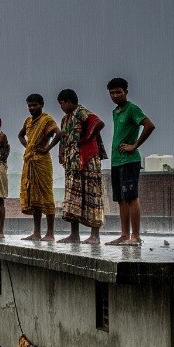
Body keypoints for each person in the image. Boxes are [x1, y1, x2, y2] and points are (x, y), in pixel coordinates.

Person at [106, 78, 155, 245]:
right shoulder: (116, 111)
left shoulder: (132, 109)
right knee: (121, 198)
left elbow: (149, 125)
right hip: (116, 161)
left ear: (126, 92)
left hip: (129, 160)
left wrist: (134, 145)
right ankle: (124, 234)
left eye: (118, 91)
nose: (115, 95)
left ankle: (136, 236)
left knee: (132, 197)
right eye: (112, 93)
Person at [56, 89, 107, 244]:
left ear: (70, 101)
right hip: (73, 163)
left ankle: (95, 236)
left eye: (62, 103)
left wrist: (86, 138)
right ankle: (74, 235)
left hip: (88, 160)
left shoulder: (81, 112)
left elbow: (98, 123)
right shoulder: (65, 119)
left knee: (92, 195)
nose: (62, 106)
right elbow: (64, 138)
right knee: (73, 198)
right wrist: (62, 154)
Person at [17, 94, 60, 241]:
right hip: (30, 161)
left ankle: (50, 233)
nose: (31, 108)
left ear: (41, 105)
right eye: (29, 105)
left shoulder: (47, 119)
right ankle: (36, 233)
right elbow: (20, 135)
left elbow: (58, 134)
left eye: (34, 105)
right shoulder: (28, 121)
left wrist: (47, 148)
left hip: (43, 161)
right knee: (33, 195)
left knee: (46, 194)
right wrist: (29, 146)